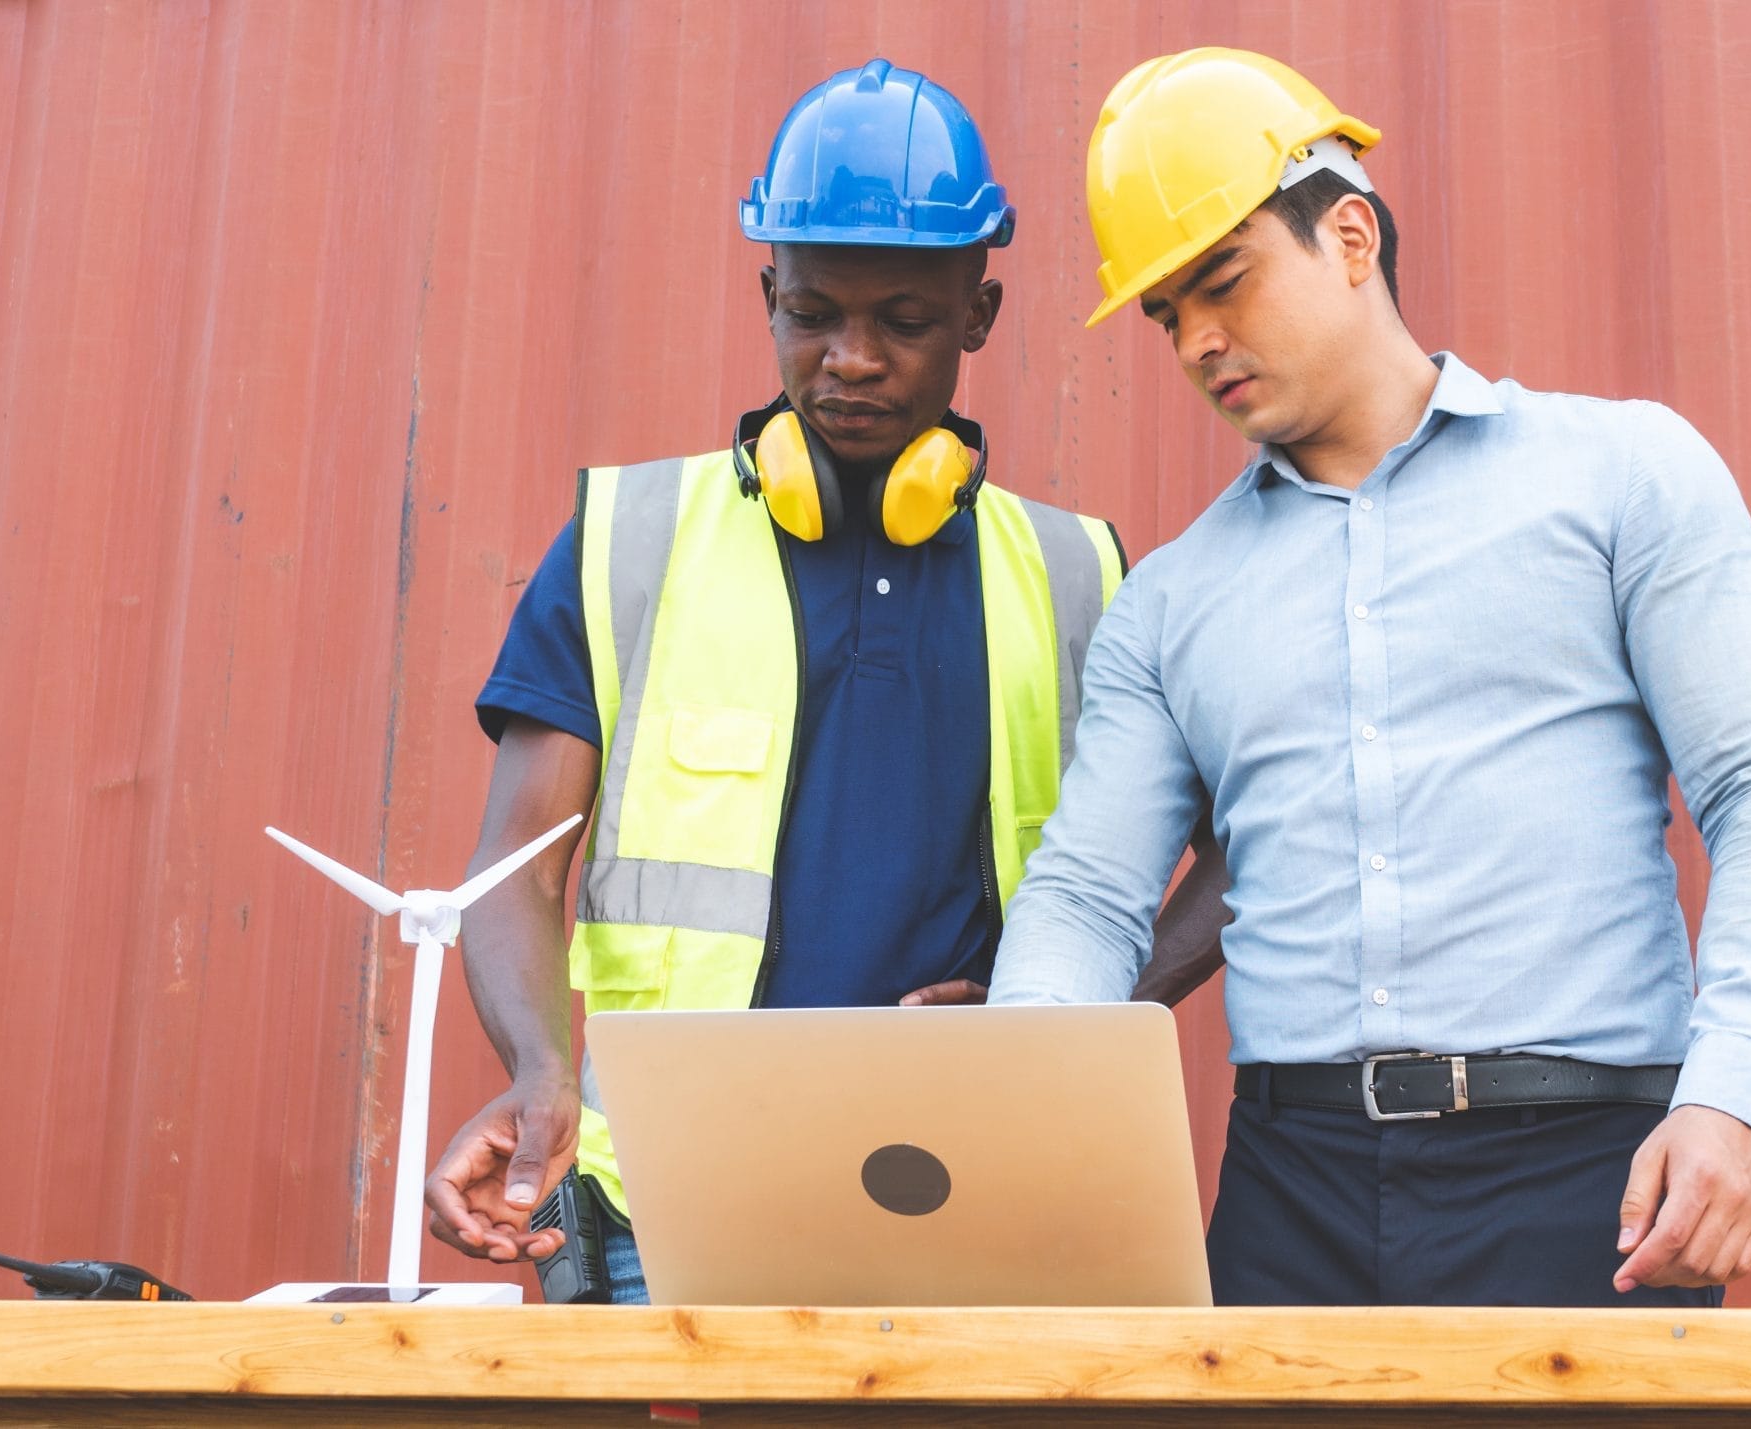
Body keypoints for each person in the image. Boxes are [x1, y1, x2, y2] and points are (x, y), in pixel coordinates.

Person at [990, 48, 1751, 1308]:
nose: (1197, 343)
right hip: (1290, 1199)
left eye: (1221, 282)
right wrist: (1015, 1096)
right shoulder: (1169, 604)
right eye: (1167, 315)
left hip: (1588, 1186)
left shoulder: (1624, 478)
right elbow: (1085, 894)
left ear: (1347, 234)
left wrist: (1733, 1099)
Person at [421, 58, 1225, 1304]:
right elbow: (513, 870)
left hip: (986, 1186)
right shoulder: (628, 540)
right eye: (812, 314)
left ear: (980, 315)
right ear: (769, 297)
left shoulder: (1082, 575)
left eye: (904, 320)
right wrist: (541, 1072)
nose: (851, 359)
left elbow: (1244, 844)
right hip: (670, 1206)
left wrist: (1092, 1007)